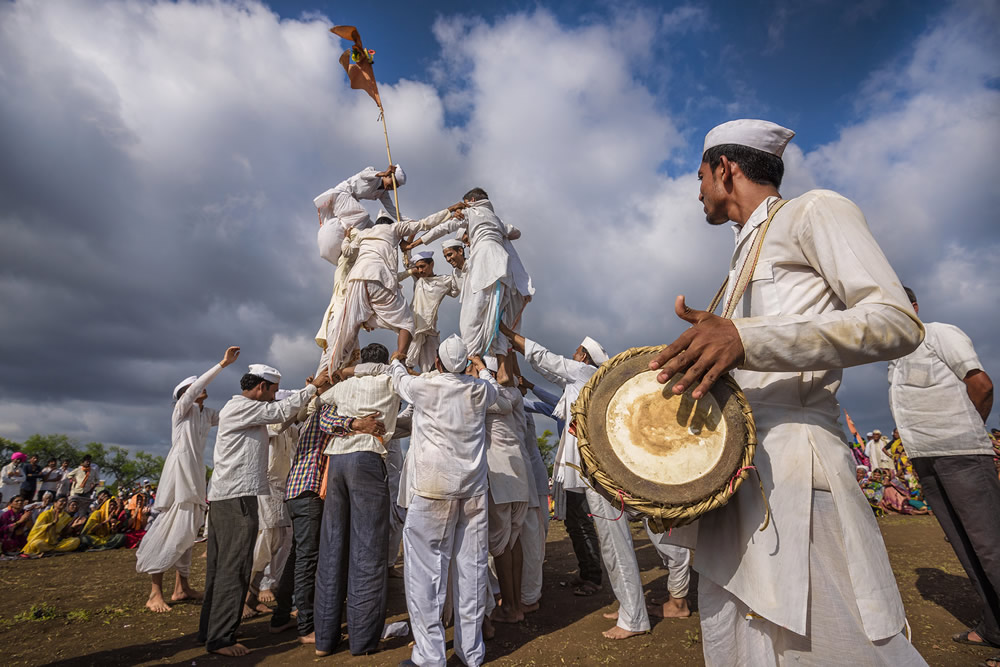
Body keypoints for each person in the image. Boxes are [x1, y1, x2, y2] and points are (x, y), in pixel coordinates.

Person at [647, 119, 925, 664]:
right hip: (734, 479)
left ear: (725, 169)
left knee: (826, 643)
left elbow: (897, 322)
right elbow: (761, 343)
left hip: (797, 472)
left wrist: (745, 336)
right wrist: (719, 330)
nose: (697, 190)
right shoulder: (734, 270)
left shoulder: (813, 211)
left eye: (700, 176)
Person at [503, 324, 649, 639]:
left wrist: (510, 337)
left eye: (576, 352)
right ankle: (628, 609)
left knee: (615, 543)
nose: (572, 355)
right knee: (610, 543)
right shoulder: (580, 385)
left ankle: (635, 618)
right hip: (590, 471)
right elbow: (552, 406)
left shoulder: (583, 373)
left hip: (596, 471)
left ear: (583, 355)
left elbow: (547, 360)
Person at [888, 286, 999, 661]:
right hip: (925, 460)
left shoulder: (939, 334)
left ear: (914, 306)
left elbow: (980, 385)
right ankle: (995, 627)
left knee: (991, 547)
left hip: (963, 455)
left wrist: (967, 431)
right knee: (965, 547)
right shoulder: (895, 359)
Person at [197, 363, 328, 657]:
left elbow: (279, 421)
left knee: (220, 567)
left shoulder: (244, 411)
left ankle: (210, 629)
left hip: (224, 496)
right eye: (273, 391)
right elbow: (279, 413)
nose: (274, 396)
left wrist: (308, 396)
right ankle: (220, 639)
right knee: (235, 566)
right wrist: (313, 388)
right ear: (260, 388)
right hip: (237, 497)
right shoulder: (243, 407)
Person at [390, 335, 500, 667]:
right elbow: (492, 386)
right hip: (472, 493)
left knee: (425, 575)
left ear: (436, 362)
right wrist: (482, 369)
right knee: (472, 572)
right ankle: (472, 653)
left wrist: (397, 359)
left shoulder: (424, 386)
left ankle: (429, 656)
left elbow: (398, 380)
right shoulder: (479, 390)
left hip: (432, 491)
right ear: (466, 364)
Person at [268, 399, 382, 645]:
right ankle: (307, 627)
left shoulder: (313, 412)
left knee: (298, 556)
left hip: (298, 490)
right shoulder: (328, 408)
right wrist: (358, 424)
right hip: (309, 490)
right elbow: (330, 422)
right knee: (308, 560)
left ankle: (281, 617)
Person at [313, 342, 401, 657]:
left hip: (336, 460)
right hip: (368, 457)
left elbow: (315, 404)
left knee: (332, 549)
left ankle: (324, 641)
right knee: (369, 550)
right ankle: (363, 639)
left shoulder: (345, 386)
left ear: (362, 361)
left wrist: (346, 373)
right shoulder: (391, 380)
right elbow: (400, 375)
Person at [137, 347, 240, 613]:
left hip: (195, 475)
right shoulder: (182, 411)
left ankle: (181, 588)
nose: (199, 389)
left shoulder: (206, 414)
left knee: (188, 531)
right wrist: (222, 364)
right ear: (185, 394)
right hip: (179, 476)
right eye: (193, 387)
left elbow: (233, 415)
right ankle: (154, 593)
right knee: (169, 530)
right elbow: (195, 390)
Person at [411, 189, 533, 385]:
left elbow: (442, 228)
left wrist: (413, 243)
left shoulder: (472, 214)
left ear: (472, 201)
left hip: (485, 265)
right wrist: (498, 229)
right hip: (503, 268)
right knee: (496, 321)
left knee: (470, 321)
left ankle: (471, 369)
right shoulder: (495, 220)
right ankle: (499, 372)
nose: (467, 243)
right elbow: (515, 231)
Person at [325, 205, 465, 373]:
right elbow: (424, 224)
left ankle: (331, 368)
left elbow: (346, 251)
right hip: (380, 277)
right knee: (406, 323)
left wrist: (347, 238)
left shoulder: (364, 233)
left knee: (347, 326)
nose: (420, 270)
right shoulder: (395, 228)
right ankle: (399, 358)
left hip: (356, 279)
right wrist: (449, 211)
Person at [314, 165, 406, 373]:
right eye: (395, 184)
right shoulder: (374, 174)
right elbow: (362, 175)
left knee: (369, 224)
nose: (393, 189)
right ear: (390, 176)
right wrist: (380, 174)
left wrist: (405, 225)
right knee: (364, 217)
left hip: (349, 215)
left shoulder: (383, 193)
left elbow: (394, 211)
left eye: (397, 187)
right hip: (342, 196)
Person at [482, 358, 531, 624]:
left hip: (499, 475)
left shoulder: (486, 397)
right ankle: (515, 603)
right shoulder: (513, 394)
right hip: (519, 475)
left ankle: (510, 607)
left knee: (501, 546)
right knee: (513, 541)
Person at [245, 410, 299, 618]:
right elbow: (278, 427)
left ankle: (252, 596)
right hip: (265, 488)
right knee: (261, 544)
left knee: (275, 542)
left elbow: (299, 432)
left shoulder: (289, 427)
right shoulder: (269, 423)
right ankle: (240, 600)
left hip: (280, 489)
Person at [516, 377, 552, 613]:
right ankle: (520, 592)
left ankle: (529, 595)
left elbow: (551, 409)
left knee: (533, 541)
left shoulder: (516, 401)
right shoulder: (511, 400)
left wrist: (527, 385)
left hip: (531, 483)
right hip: (518, 482)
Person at [399, 250, 461, 372]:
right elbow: (406, 256)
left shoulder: (444, 281)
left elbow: (458, 287)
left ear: (431, 264)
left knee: (434, 370)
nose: (421, 270)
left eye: (423, 266)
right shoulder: (419, 279)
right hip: (414, 329)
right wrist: (410, 244)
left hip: (430, 329)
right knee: (404, 365)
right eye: (418, 267)